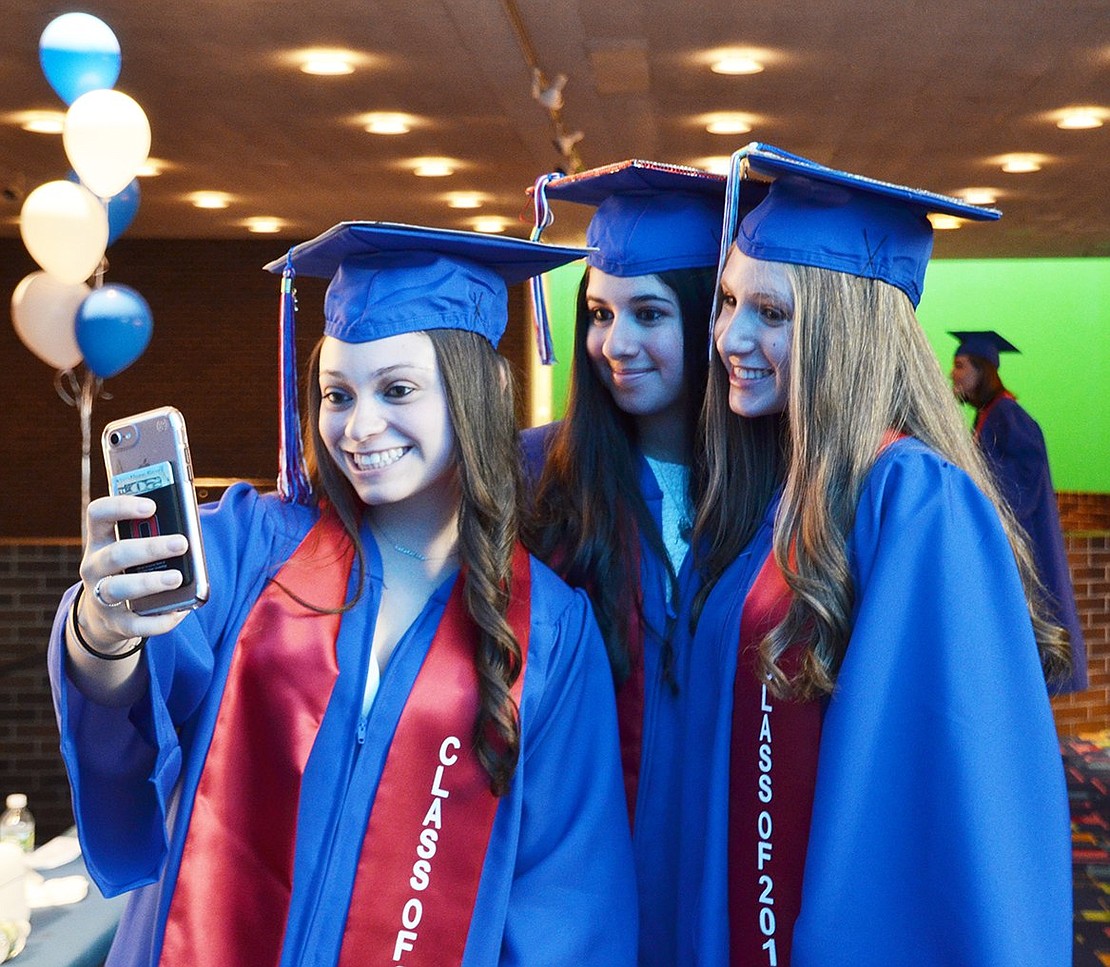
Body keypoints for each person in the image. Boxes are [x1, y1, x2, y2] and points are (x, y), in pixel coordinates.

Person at [47, 222, 638, 967]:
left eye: (397, 389)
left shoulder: (549, 629)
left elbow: (567, 906)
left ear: (481, 388)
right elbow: (131, 699)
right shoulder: (251, 546)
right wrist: (103, 629)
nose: (359, 427)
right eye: (336, 392)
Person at [682, 143, 1072, 966]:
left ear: (846, 327)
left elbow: (940, 800)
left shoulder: (916, 501)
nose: (730, 336)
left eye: (773, 313)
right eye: (727, 301)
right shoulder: (785, 495)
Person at [522, 161, 750, 966]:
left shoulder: (779, 499)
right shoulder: (537, 483)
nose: (614, 344)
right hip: (583, 891)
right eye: (598, 313)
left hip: (736, 876)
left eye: (648, 312)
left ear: (707, 318)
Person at [950, 329, 1087, 692]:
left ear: (983, 369)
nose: (954, 374)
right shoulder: (990, 417)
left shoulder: (1009, 418)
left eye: (961, 366)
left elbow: (1018, 486)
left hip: (1024, 553)